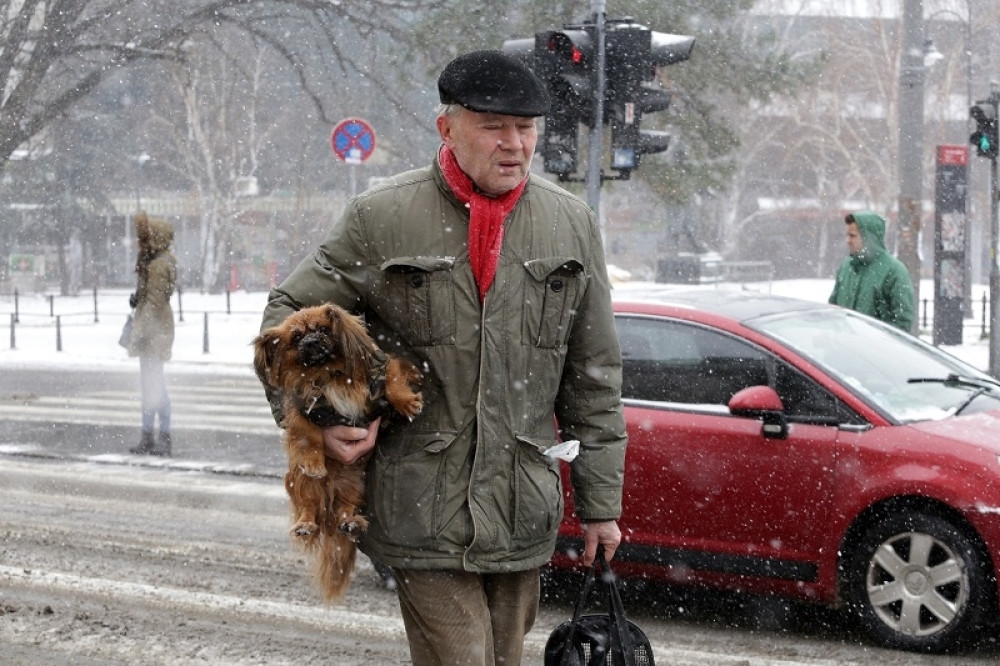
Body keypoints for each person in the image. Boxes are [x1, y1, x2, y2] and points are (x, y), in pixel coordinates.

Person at [258, 50, 627, 666]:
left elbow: (593, 376)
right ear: (447, 128)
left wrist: (601, 507)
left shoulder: (570, 223)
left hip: (522, 505)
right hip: (421, 502)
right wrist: (321, 417)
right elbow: (287, 317)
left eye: (526, 127)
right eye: (493, 126)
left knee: (503, 658)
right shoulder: (384, 216)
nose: (514, 144)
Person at [126, 212, 177, 456]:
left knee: (155, 387)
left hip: (154, 333)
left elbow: (154, 303)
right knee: (149, 387)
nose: (141, 243)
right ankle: (148, 436)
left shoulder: (158, 265)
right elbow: (150, 299)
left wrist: (141, 332)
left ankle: (162, 438)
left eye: (145, 238)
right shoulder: (153, 261)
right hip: (152, 330)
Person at [829, 210, 915, 332]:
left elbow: (903, 321)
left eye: (852, 236)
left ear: (868, 238)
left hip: (876, 344)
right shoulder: (846, 267)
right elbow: (833, 310)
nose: (847, 240)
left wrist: (879, 340)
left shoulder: (894, 271)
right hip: (845, 342)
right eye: (847, 235)